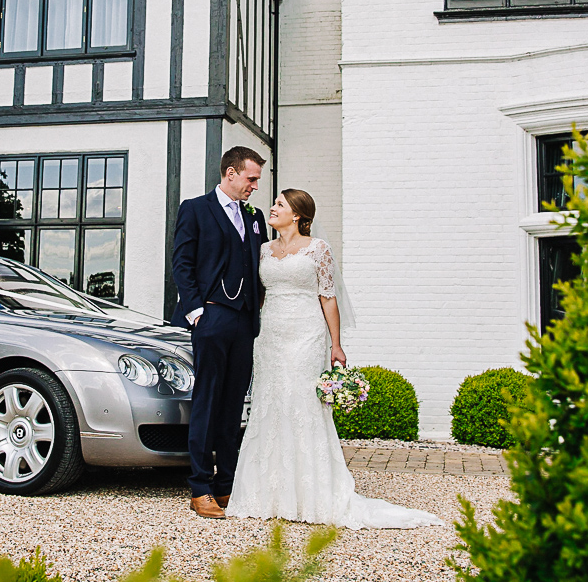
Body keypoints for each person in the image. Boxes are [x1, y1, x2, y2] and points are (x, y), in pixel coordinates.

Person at [226, 188, 444, 529]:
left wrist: (336, 345)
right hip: (269, 336)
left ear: (296, 214)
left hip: (307, 333)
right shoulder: (264, 250)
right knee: (271, 403)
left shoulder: (318, 249)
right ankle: (268, 493)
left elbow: (328, 297)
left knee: (302, 405)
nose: (273, 207)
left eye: (280, 204)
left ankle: (312, 493)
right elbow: (260, 294)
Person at [170, 146, 267, 519]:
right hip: (210, 318)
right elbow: (182, 263)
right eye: (251, 178)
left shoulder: (254, 217)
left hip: (244, 322)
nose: (255, 186)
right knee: (207, 402)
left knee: (232, 406)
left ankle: (227, 485)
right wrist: (197, 313)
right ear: (230, 173)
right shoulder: (195, 209)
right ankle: (199, 486)